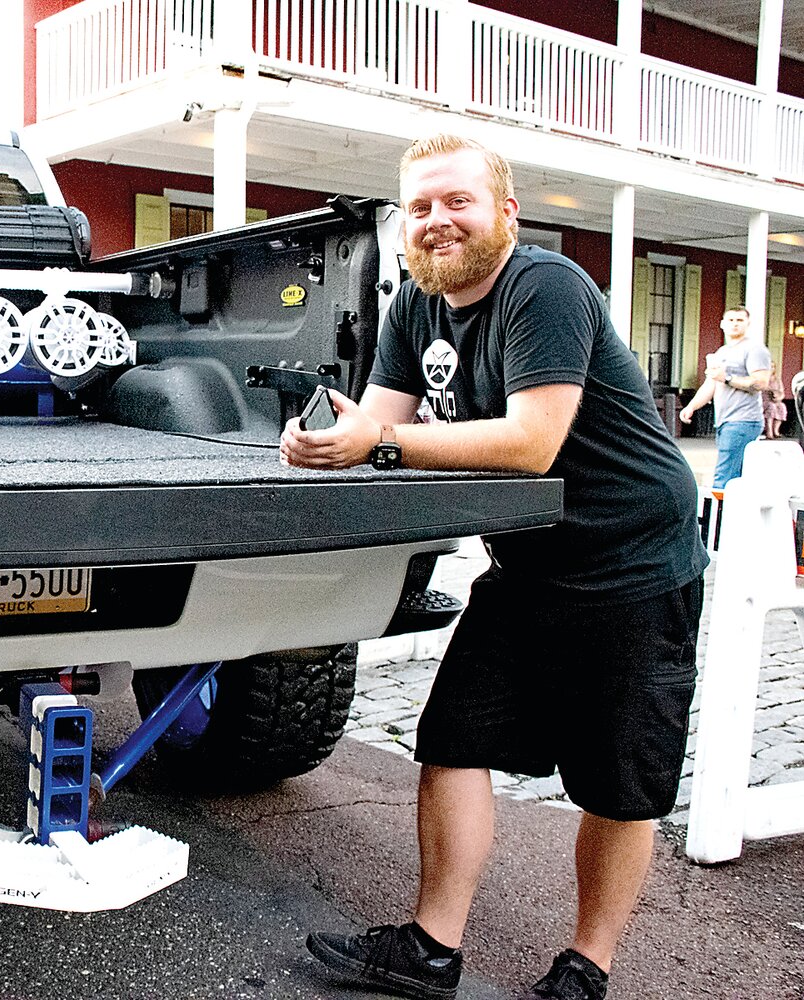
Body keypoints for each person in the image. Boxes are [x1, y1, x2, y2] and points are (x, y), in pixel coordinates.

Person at [281, 134, 706, 1000]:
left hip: (633, 560)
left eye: (457, 201)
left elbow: (532, 440)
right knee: (453, 740)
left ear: (505, 213)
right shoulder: (414, 308)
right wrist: (324, 442)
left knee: (619, 783)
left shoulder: (544, 286)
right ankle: (431, 948)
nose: (437, 221)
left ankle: (588, 967)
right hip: (528, 565)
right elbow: (377, 425)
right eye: (420, 207)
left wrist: (381, 440)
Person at [678, 307, 772, 488]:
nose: (735, 324)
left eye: (740, 320)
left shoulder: (755, 349)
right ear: (722, 324)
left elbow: (761, 382)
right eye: (731, 320)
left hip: (743, 420)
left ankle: (719, 514)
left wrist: (727, 378)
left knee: (725, 476)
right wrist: (691, 407)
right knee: (735, 474)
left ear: (748, 324)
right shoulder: (722, 352)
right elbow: (711, 385)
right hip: (725, 420)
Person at [762, 371, 787, 440]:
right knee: (771, 407)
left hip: (776, 400)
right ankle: (769, 432)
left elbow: (782, 392)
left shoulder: (777, 380)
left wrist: (779, 398)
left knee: (782, 407)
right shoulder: (763, 379)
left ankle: (776, 431)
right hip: (764, 401)